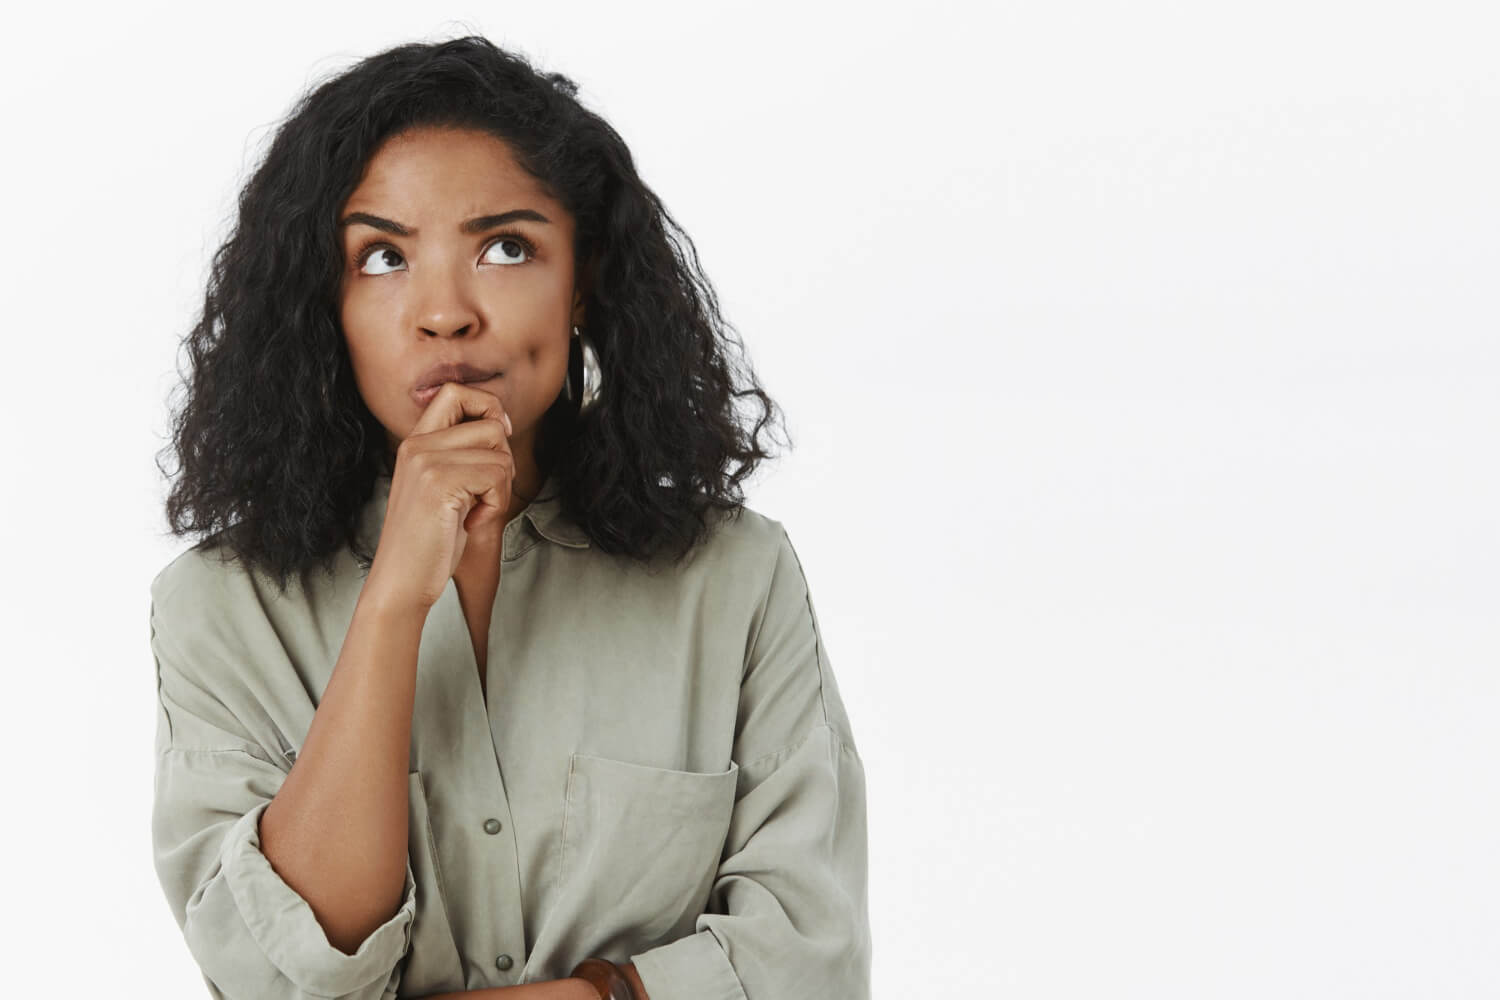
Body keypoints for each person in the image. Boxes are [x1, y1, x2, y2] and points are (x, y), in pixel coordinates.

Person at [148, 34, 871, 1000]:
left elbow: (812, 958)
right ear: (323, 305)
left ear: (583, 282)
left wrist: (589, 996)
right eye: (382, 257)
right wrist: (396, 598)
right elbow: (278, 971)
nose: (444, 313)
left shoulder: (734, 577)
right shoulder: (218, 608)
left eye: (506, 247)